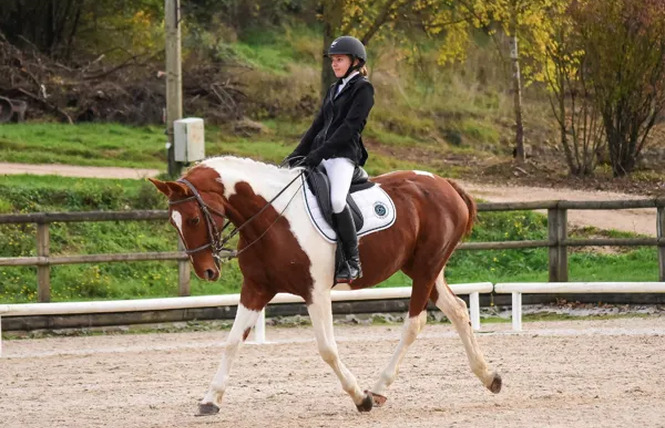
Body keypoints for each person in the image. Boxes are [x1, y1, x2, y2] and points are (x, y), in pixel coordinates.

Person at [285, 35, 374, 283]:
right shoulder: (334, 88)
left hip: (343, 156)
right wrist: (297, 154)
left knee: (336, 201)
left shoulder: (363, 89)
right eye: (333, 60)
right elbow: (317, 126)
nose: (334, 64)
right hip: (321, 154)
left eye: (339, 60)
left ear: (355, 61)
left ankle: (353, 261)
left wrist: (318, 154)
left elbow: (349, 128)